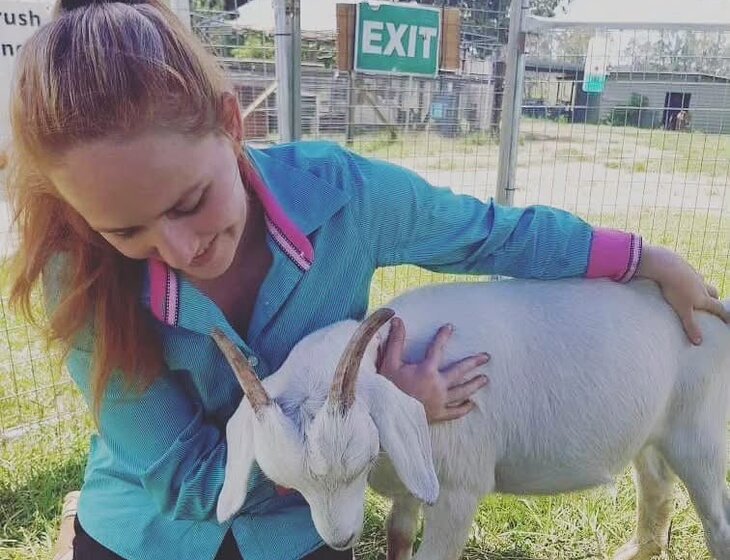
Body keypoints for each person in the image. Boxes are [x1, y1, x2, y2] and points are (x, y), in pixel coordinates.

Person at [6, 0, 728, 559]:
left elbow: (490, 234)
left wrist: (647, 259)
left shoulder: (345, 194)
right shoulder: (78, 276)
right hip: (147, 532)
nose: (178, 249)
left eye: (191, 201)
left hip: (303, 528)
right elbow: (186, 480)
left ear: (231, 124)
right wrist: (374, 422)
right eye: (125, 231)